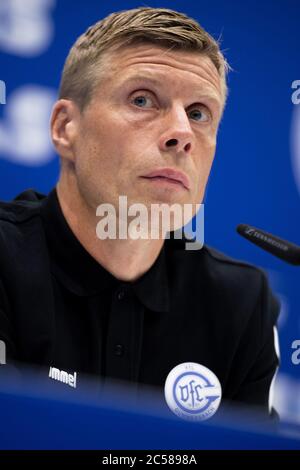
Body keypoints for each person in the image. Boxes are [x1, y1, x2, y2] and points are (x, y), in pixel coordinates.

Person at [0, 7, 279, 417]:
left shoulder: (241, 304)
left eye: (199, 113)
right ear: (64, 128)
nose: (182, 133)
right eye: (143, 99)